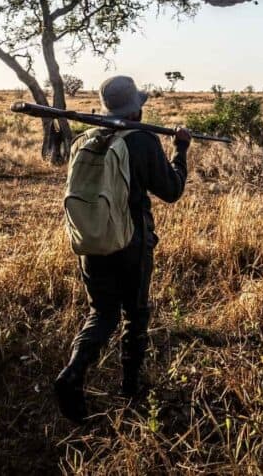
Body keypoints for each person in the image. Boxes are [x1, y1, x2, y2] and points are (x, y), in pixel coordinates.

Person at [54, 75, 191, 423]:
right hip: (132, 243)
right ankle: (130, 390)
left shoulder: (86, 138)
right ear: (136, 111)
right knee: (135, 315)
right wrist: (180, 151)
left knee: (101, 313)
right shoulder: (141, 141)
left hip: (92, 239)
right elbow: (172, 190)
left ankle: (72, 374)